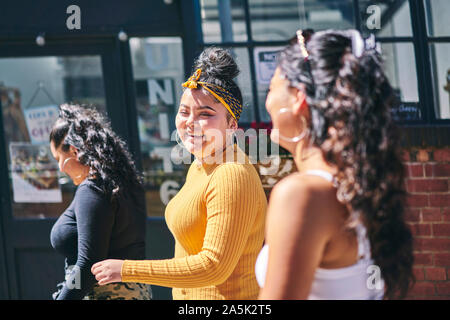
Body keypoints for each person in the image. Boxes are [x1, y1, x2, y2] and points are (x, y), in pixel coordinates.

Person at [91, 47, 267, 300]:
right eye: (184, 112)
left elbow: (213, 267)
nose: (190, 122)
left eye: (205, 114)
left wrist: (126, 270)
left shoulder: (231, 174)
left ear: (231, 124)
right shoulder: (201, 164)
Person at [256, 29, 414, 300]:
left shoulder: (302, 195)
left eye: (272, 88)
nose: (267, 101)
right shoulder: (359, 184)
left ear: (298, 98)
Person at [49, 104, 151, 300]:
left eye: (58, 158)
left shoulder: (93, 189)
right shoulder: (126, 184)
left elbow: (88, 265)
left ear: (73, 151)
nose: (60, 168)